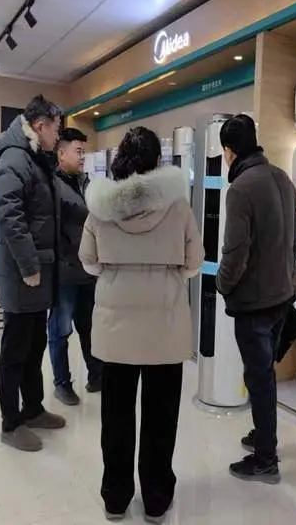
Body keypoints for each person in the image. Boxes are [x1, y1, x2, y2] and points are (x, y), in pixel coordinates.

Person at [79, 127, 203, 523]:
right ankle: (155, 499)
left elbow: (88, 261)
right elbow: (194, 263)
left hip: (115, 331)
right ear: (157, 161)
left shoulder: (100, 207)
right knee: (160, 418)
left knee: (115, 417)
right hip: (165, 328)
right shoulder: (178, 206)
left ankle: (115, 498)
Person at [215, 114, 296, 484]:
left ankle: (266, 459)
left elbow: (235, 252)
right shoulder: (282, 178)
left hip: (254, 304)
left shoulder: (241, 189)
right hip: (282, 297)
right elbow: (295, 241)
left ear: (229, 151)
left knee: (259, 378)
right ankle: (263, 435)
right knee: (265, 375)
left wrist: (222, 284)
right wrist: (286, 279)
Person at [0, 95, 66, 452]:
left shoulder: (35, 157)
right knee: (15, 350)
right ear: (40, 126)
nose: (58, 137)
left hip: (38, 274)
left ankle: (33, 409)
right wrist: (29, 266)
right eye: (56, 130)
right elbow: (10, 217)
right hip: (24, 274)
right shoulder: (15, 158)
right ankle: (10, 423)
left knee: (35, 345)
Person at [48, 127, 103, 406]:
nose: (83, 156)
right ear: (61, 154)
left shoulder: (85, 182)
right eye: (78, 151)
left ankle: (97, 376)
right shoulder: (52, 186)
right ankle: (62, 384)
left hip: (88, 271)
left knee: (89, 327)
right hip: (64, 272)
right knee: (60, 330)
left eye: (84, 151)